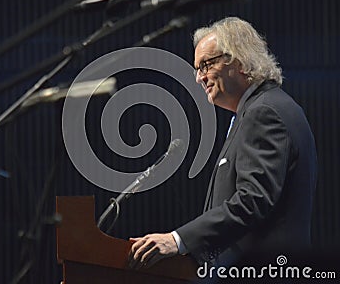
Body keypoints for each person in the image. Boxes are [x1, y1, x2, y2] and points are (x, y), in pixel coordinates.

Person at [128, 17, 317, 270]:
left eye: (205, 65)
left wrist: (178, 240)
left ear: (238, 60)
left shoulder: (265, 112)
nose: (199, 78)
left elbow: (252, 201)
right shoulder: (257, 110)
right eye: (197, 69)